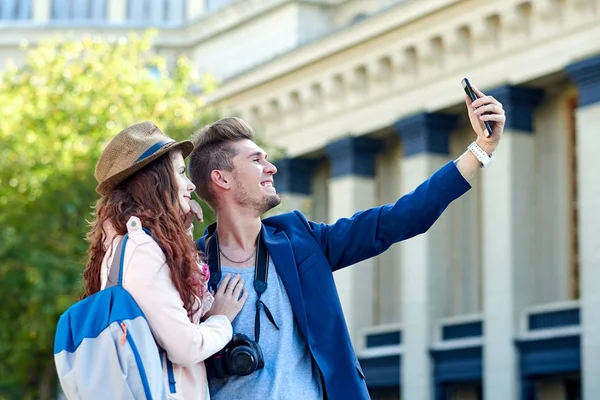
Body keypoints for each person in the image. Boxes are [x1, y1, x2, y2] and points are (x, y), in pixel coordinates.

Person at [186, 87, 506, 399]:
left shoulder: (302, 240)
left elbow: (401, 218)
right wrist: (215, 320)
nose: (271, 168)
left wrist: (481, 149)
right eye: (256, 160)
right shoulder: (191, 267)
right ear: (221, 178)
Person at [82, 121, 248, 399]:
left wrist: (181, 228)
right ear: (157, 182)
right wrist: (221, 320)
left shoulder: (124, 243)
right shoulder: (143, 250)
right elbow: (185, 347)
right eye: (181, 173)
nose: (191, 184)